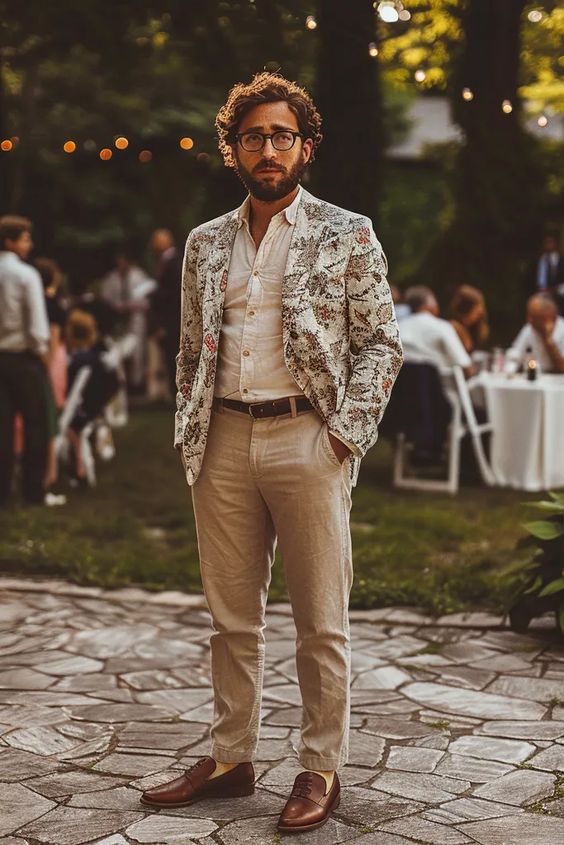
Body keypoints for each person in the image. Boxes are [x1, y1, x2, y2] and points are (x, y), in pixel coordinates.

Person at [140, 72, 403, 833]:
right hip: (221, 436)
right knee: (232, 618)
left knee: (321, 620)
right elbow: (192, 347)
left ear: (305, 146)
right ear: (233, 150)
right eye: (252, 135)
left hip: (307, 436)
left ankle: (320, 767)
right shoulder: (203, 244)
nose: (267, 148)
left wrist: (344, 435)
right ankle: (231, 757)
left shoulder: (348, 232)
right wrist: (190, 423)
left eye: (281, 134)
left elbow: (382, 342)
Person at [0, 215, 50, 506]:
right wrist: (42, 355)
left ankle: (3, 492)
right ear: (10, 241)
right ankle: (33, 491)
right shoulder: (26, 275)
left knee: (2, 428)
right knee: (35, 426)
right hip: (23, 359)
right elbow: (37, 329)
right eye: (25, 239)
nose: (29, 245)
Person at [64, 310, 119, 483]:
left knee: (68, 428)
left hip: (80, 411)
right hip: (96, 409)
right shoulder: (98, 359)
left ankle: (79, 470)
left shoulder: (76, 361)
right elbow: (114, 385)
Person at [35, 257, 68, 500]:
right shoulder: (51, 304)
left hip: (47, 361)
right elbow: (54, 339)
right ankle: (49, 473)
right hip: (51, 361)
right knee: (49, 419)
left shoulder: (42, 302)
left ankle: (49, 473)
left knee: (48, 418)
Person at [100, 252, 156, 392]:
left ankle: (136, 383)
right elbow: (106, 299)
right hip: (118, 319)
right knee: (118, 349)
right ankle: (120, 381)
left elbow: (148, 299)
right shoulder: (111, 279)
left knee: (137, 350)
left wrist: (133, 306)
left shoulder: (139, 276)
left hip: (136, 317)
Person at [399, 285, 474, 377]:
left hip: (403, 389)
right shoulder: (442, 327)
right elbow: (465, 367)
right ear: (429, 303)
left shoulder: (398, 327)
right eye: (435, 301)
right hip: (439, 390)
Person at [149, 228, 183, 397]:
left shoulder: (175, 263)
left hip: (173, 321)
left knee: (174, 357)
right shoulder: (164, 262)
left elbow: (173, 294)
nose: (153, 244)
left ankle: (177, 393)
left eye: (157, 240)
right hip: (167, 320)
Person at [509, 294, 564, 374]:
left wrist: (548, 339)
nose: (529, 320)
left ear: (548, 317)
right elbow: (514, 357)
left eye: (534, 317)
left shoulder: (562, 330)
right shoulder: (529, 329)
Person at [448, 285, 489, 354]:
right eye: (477, 314)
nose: (480, 317)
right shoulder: (455, 327)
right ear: (466, 309)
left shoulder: (471, 328)